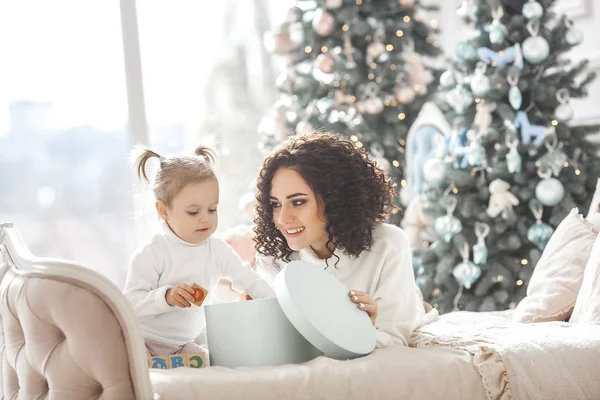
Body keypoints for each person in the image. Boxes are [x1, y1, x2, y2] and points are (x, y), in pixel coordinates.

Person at [253, 132, 436, 347]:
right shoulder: (271, 258)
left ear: (335, 200)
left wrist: (364, 330)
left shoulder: (388, 243)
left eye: (298, 202)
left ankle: (421, 304)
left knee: (415, 307)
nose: (283, 219)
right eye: (275, 204)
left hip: (407, 307)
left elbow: (394, 338)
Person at [124, 145, 275, 358]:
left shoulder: (217, 249)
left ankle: (172, 364)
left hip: (183, 344)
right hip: (143, 340)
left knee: (212, 362)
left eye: (212, 209)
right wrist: (165, 297)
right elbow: (130, 304)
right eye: (193, 212)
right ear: (163, 210)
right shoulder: (152, 254)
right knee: (130, 363)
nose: (205, 218)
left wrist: (275, 302)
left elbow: (246, 278)